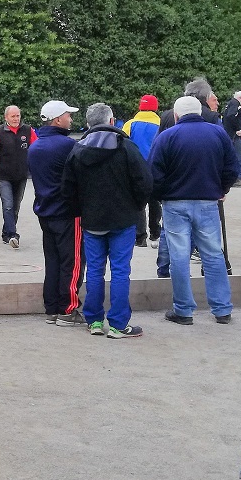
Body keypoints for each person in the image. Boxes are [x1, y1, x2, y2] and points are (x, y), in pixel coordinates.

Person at [62, 103, 152, 338]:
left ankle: (93, 320)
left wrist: (80, 211)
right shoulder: (126, 148)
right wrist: (136, 207)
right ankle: (118, 324)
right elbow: (144, 182)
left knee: (94, 270)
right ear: (112, 122)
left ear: (89, 124)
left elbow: (68, 189)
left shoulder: (77, 150)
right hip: (123, 219)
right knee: (121, 271)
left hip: (92, 220)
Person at [149, 95, 240, 326]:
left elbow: (154, 173)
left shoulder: (167, 137)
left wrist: (161, 197)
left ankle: (184, 310)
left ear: (176, 115)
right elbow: (233, 166)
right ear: (200, 112)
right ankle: (222, 309)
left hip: (175, 204)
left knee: (179, 256)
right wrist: (222, 188)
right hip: (209, 201)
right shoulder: (217, 133)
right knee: (213, 254)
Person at [28, 100, 85, 326]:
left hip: (45, 211)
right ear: (57, 119)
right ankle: (68, 309)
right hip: (68, 213)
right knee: (72, 263)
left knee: (52, 261)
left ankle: (52, 307)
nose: (71, 119)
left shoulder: (35, 147)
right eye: (68, 115)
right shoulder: (68, 145)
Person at [0, 105, 37, 248]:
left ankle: (6, 233)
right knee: (7, 206)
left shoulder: (27, 130)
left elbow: (36, 149)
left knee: (15, 207)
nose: (16, 119)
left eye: (18, 116)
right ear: (6, 117)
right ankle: (13, 235)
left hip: (21, 175)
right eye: (13, 116)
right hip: (3, 176)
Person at [123, 95, 162, 245]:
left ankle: (140, 237)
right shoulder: (160, 123)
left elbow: (123, 143)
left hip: (135, 168)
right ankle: (155, 232)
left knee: (138, 202)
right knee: (155, 201)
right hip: (155, 168)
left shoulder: (130, 124)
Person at [222, 91, 241, 185]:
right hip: (234, 135)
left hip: (230, 134)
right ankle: (235, 178)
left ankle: (233, 178)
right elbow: (231, 116)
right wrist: (237, 129)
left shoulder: (230, 103)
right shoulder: (235, 103)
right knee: (237, 157)